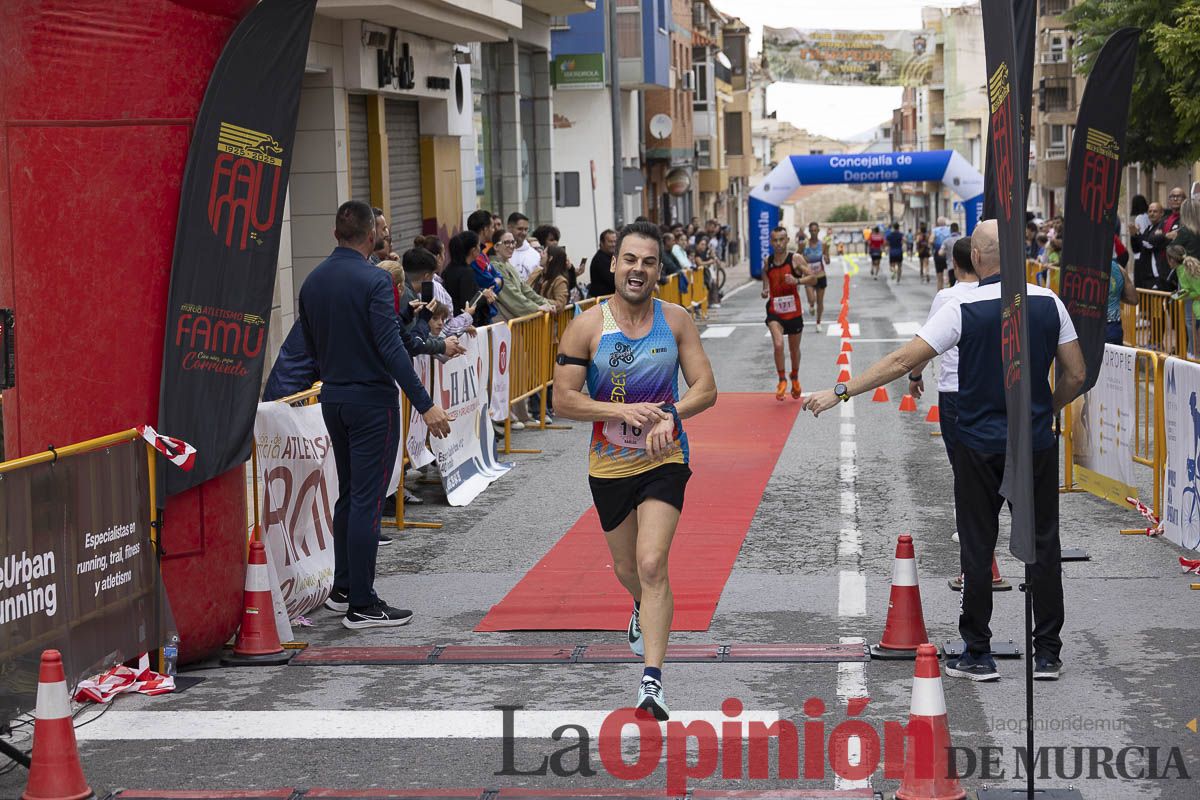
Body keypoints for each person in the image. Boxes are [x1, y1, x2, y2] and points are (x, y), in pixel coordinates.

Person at [804, 220, 1086, 682]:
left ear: (976, 258)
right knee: (1042, 542)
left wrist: (841, 392)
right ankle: (1048, 653)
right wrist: (1040, 409)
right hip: (1032, 441)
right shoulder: (1048, 302)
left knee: (978, 544)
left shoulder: (961, 303)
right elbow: (1076, 374)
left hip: (977, 442)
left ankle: (978, 651)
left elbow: (903, 361)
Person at [552, 220, 718, 720]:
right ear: (614, 263)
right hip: (608, 464)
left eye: (648, 261)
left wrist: (673, 414)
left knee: (651, 563)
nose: (638, 270)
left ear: (659, 269)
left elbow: (706, 388)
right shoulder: (586, 325)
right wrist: (619, 412)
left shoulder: (677, 320)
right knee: (628, 570)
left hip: (664, 459)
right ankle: (641, 607)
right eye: (630, 260)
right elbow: (563, 400)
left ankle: (652, 681)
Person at [298, 201, 452, 629]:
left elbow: (309, 346)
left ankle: (345, 586)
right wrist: (425, 402)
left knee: (349, 494)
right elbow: (392, 349)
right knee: (366, 500)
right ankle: (362, 604)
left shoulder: (312, 282)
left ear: (335, 234)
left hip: (333, 398)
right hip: (371, 401)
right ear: (371, 236)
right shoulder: (375, 281)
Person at [909, 235, 978, 544]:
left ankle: (969, 525)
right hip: (988, 388)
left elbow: (928, 344)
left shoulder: (946, 297)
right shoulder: (998, 293)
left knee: (961, 464)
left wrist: (914, 375)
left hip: (953, 390)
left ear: (953, 263)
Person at [762, 226, 820, 400]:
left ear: (787, 240)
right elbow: (766, 278)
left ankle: (794, 377)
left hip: (793, 311)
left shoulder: (795, 259)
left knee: (794, 350)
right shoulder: (768, 261)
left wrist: (797, 280)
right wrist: (765, 290)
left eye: (782, 239)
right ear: (771, 242)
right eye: (775, 240)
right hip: (775, 311)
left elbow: (813, 278)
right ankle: (781, 380)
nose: (778, 243)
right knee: (778, 345)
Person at [415, 235, 475, 339]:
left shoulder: (436, 281)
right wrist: (466, 316)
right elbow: (443, 328)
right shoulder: (434, 287)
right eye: (443, 254)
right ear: (438, 257)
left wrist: (462, 327)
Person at [489, 228, 553, 320]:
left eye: (513, 242)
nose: (511, 246)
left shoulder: (507, 264)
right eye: (506, 242)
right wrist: (536, 307)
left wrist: (545, 303)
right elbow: (511, 295)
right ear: (496, 247)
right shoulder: (494, 267)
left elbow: (525, 289)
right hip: (502, 321)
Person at [443, 230, 497, 327]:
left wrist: (482, 292)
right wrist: (484, 297)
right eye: (478, 245)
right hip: (466, 328)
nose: (480, 249)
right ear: (473, 251)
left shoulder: (448, 270)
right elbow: (468, 303)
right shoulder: (467, 273)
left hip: (454, 324)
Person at [1131, 202, 1174, 290]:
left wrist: (1138, 235)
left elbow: (1149, 244)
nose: (1152, 214)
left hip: (1158, 277)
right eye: (1150, 211)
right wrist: (1134, 235)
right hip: (1146, 276)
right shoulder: (1149, 228)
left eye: (1155, 211)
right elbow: (1138, 248)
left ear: (1161, 213)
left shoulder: (1162, 227)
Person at [1104, 249, 1138, 346]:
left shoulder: (1083, 268)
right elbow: (1133, 299)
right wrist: (1115, 296)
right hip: (1113, 329)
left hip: (1088, 328)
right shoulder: (1118, 269)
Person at [801, 222, 829, 329]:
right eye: (811, 230)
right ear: (809, 231)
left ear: (818, 231)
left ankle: (818, 322)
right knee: (812, 299)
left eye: (815, 230)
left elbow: (828, 260)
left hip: (821, 275)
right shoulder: (804, 244)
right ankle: (811, 305)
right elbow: (797, 256)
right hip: (808, 276)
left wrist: (826, 259)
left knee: (820, 301)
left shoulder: (823, 245)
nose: (813, 232)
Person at [530, 246, 572, 312]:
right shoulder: (536, 272)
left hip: (549, 320)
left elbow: (560, 304)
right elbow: (525, 288)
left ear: (550, 258)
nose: (540, 254)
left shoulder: (560, 281)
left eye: (543, 253)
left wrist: (540, 301)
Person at [508, 212, 540, 280]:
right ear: (509, 228)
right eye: (520, 229)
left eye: (526, 229)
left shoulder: (535, 255)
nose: (524, 233)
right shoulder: (501, 252)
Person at [589, 229, 618, 297]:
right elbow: (614, 281)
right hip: (603, 302)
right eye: (610, 242)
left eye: (615, 241)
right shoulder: (600, 259)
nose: (613, 244)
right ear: (602, 243)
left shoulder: (611, 257)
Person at [938, 223, 962, 289]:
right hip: (962, 267)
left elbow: (940, 253)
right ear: (958, 229)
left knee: (952, 286)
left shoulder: (946, 241)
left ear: (950, 230)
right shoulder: (962, 239)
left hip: (951, 266)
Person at [932, 216, 952, 290]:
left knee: (939, 276)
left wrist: (933, 245)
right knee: (950, 273)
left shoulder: (935, 230)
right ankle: (949, 287)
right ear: (945, 222)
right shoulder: (949, 229)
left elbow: (931, 240)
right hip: (948, 253)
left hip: (938, 253)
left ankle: (940, 293)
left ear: (938, 223)